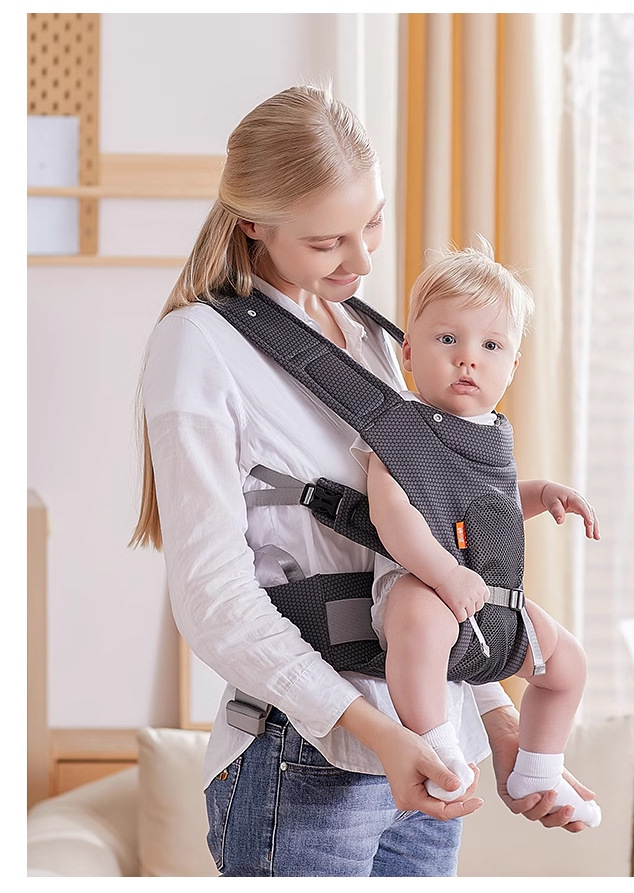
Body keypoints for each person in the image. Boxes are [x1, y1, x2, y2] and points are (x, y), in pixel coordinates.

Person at [131, 84, 595, 879]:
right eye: (327, 242)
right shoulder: (198, 347)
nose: (364, 260)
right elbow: (215, 604)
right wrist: (379, 735)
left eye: (372, 223)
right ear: (254, 224)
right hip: (303, 761)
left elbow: (426, 565)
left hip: (424, 756)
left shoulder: (379, 341)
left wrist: (497, 721)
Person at [353, 240, 601, 826]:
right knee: (422, 621)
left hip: (493, 601)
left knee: (567, 663)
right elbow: (392, 514)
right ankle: (437, 743)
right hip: (419, 584)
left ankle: (539, 766)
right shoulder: (400, 428)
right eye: (448, 339)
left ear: (512, 366)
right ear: (408, 353)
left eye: (491, 346)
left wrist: (542, 494)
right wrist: (444, 574)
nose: (468, 359)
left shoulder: (493, 433)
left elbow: (489, 509)